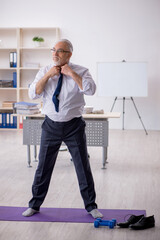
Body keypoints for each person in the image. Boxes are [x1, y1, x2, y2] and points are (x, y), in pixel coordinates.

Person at [22, 39, 103, 219]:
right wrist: (48, 75)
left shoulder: (81, 71)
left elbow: (90, 90)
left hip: (74, 126)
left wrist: (71, 73)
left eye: (60, 51)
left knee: (82, 166)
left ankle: (91, 206)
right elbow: (33, 93)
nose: (55, 54)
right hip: (51, 125)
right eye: (53, 50)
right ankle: (34, 204)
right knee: (43, 167)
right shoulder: (45, 71)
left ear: (69, 54)